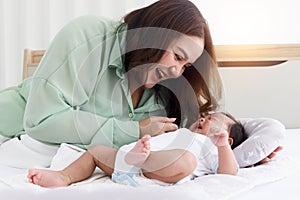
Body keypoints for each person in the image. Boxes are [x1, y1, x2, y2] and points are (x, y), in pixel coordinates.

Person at [0, 0, 223, 168]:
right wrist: (133, 130)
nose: (176, 72)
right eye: (177, 56)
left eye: (186, 66)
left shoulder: (162, 99)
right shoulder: (89, 35)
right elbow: (42, 119)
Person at [27, 112, 247, 188]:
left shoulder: (212, 147)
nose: (203, 118)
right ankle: (64, 176)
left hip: (159, 171)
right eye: (205, 115)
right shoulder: (179, 133)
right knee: (96, 151)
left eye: (212, 120)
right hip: (127, 162)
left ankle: (142, 159)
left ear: (227, 138)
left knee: (186, 160)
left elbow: (229, 174)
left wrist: (222, 147)